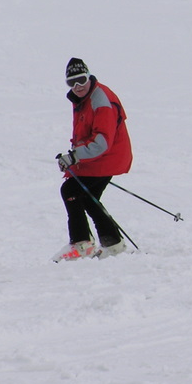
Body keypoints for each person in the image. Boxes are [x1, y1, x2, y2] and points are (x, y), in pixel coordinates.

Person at [52, 58, 133, 261]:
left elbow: (101, 143)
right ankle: (113, 244)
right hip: (103, 157)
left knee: (71, 191)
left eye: (81, 80)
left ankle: (81, 244)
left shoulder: (100, 100)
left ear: (89, 77)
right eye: (72, 82)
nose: (77, 86)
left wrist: (74, 157)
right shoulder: (83, 98)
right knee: (87, 197)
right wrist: (73, 156)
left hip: (107, 157)